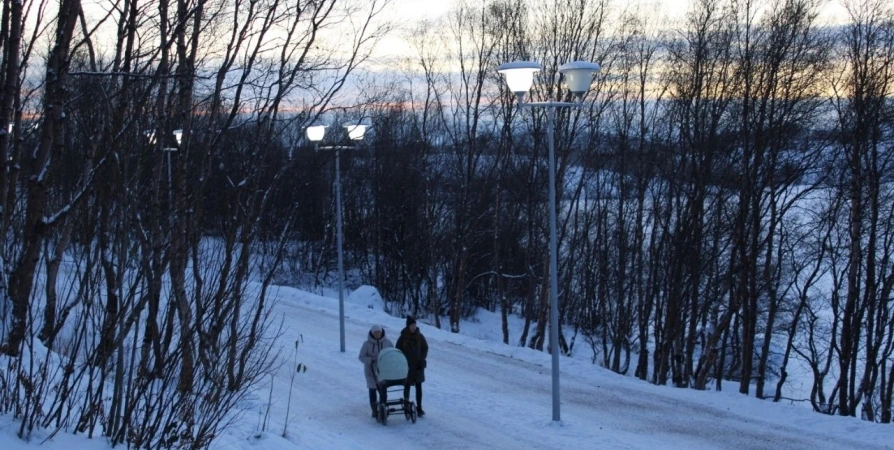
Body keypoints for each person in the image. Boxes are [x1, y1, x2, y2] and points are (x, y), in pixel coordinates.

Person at [396, 315, 428, 417]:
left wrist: (422, 359)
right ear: (408, 326)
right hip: (407, 367)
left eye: (414, 325)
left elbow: (425, 348)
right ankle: (406, 405)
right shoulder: (403, 337)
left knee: (419, 387)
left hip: (418, 366)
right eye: (411, 326)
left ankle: (419, 408)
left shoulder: (420, 336)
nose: (413, 327)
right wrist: (402, 362)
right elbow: (397, 350)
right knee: (407, 386)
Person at [358, 324, 393, 419]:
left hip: (383, 371)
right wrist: (370, 360)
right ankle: (374, 410)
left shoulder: (387, 343)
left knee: (383, 390)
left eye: (379, 332)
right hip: (371, 371)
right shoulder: (367, 344)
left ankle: (383, 408)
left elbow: (392, 353)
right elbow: (361, 357)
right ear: (372, 333)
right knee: (373, 390)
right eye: (375, 332)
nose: (377, 334)